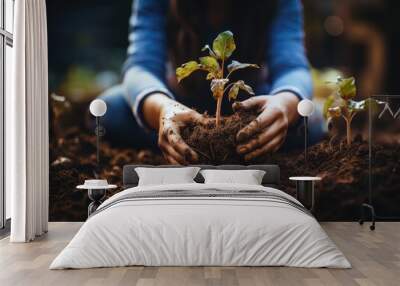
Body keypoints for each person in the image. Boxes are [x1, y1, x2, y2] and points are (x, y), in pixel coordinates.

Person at [98, 0, 324, 164]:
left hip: (249, 112)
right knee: (111, 110)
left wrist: (284, 104)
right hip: (180, 107)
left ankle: (201, 148)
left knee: (309, 121)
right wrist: (161, 109)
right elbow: (141, 67)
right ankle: (207, 145)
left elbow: (292, 67)